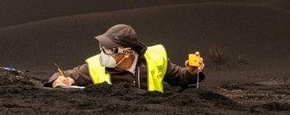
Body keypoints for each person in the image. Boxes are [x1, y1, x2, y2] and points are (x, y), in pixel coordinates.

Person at [47, 24, 205, 92]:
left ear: (127, 52)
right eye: (102, 48)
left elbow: (179, 77)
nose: (104, 53)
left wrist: (191, 72)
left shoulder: (155, 58)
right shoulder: (95, 66)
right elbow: (66, 76)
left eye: (109, 49)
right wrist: (58, 80)